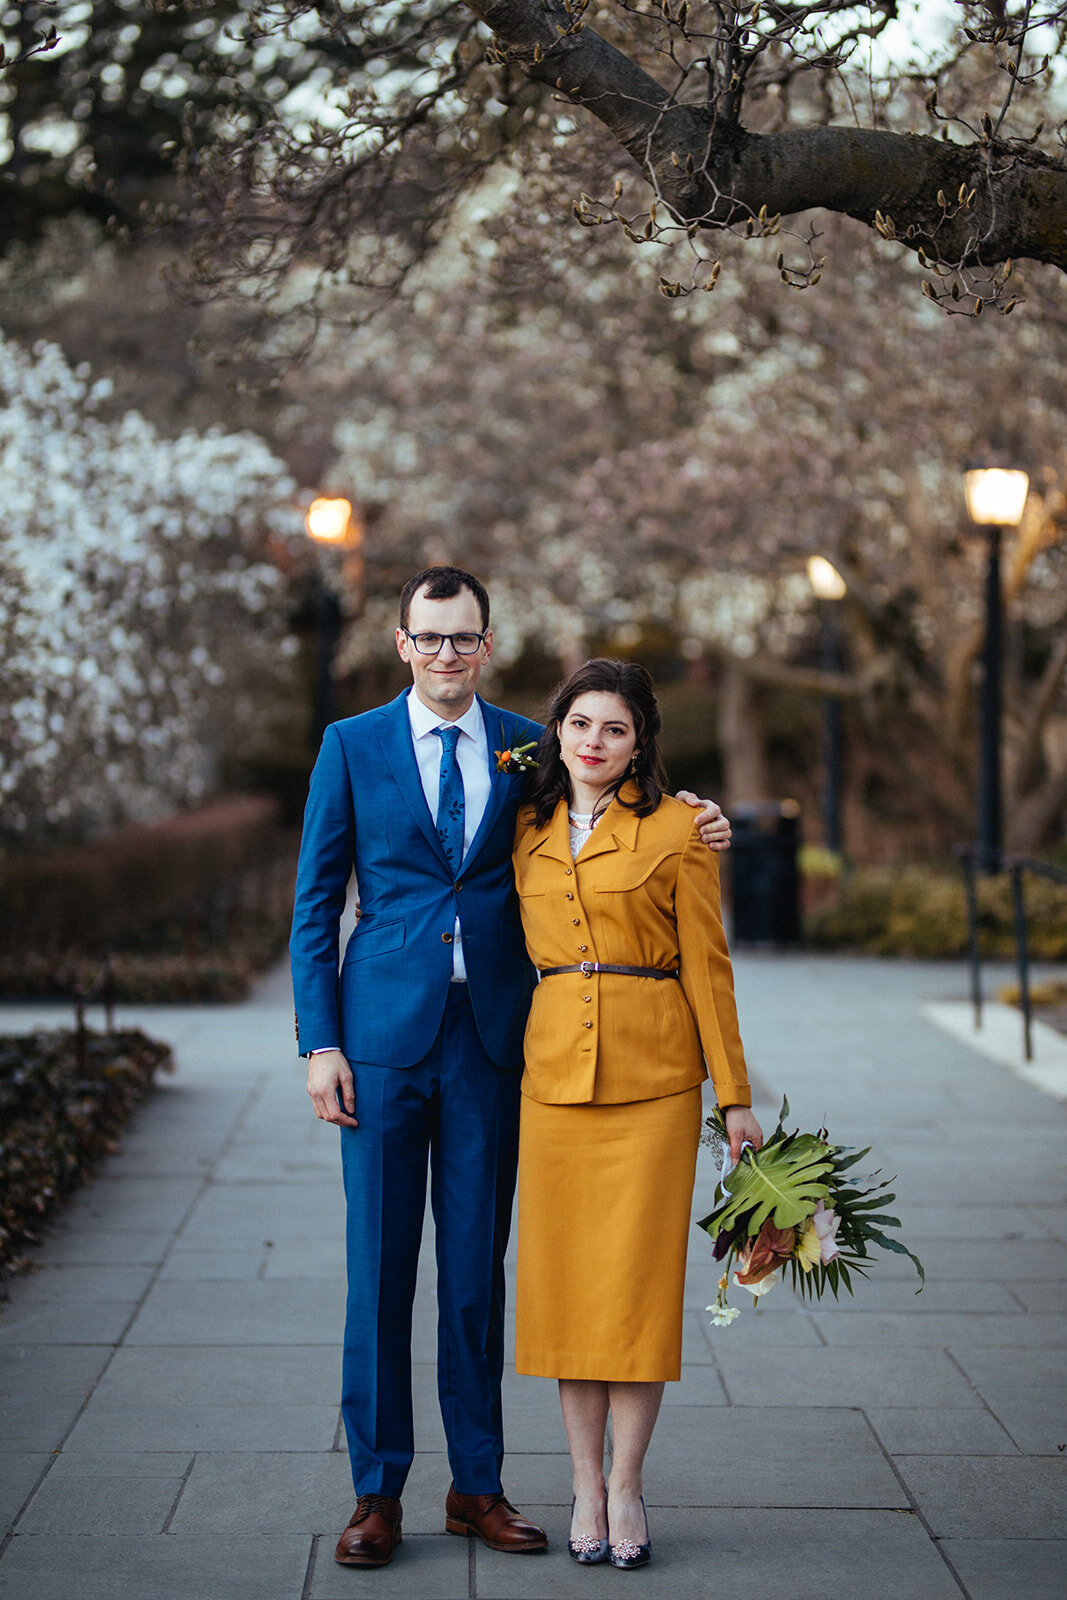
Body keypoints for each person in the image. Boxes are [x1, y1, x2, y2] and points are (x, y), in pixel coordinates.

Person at [289, 568, 732, 1568]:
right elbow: (316, 904)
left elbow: (615, 794)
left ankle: (476, 1484)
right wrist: (317, 1042)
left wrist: (701, 817)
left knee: (476, 1275)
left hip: (496, 1040)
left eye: (465, 638)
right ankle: (376, 1489)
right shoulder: (350, 747)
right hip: (377, 1043)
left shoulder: (526, 746)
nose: (447, 654)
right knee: (379, 1272)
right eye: (430, 637)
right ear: (400, 642)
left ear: (486, 645)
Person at [512, 658, 763, 1570]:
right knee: (570, 1293)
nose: (593, 743)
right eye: (579, 724)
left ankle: (628, 1484)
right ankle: (581, 1483)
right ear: (557, 732)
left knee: (635, 1293)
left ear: (638, 743)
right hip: (551, 1086)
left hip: (654, 1086)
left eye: (614, 729)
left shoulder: (679, 831)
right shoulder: (523, 825)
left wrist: (733, 1097)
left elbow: (708, 967)